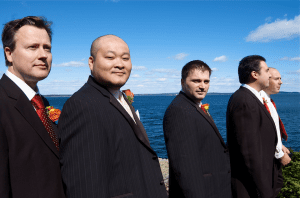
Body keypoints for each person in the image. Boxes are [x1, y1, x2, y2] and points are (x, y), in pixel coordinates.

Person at [58, 35, 168, 198]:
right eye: (110, 57)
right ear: (91, 62)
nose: (119, 64)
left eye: (125, 58)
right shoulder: (82, 105)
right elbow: (84, 184)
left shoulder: (120, 98)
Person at [0, 16, 65, 198]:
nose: (43, 55)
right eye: (32, 47)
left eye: (47, 48)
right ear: (9, 53)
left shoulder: (41, 103)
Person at [163, 60, 231, 198]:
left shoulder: (192, 106)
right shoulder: (179, 111)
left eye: (206, 81)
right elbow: (184, 166)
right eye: (196, 81)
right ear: (182, 82)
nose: (202, 86)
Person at [227, 55, 280, 198]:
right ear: (254, 74)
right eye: (267, 70)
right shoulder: (244, 101)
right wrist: (264, 191)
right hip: (251, 188)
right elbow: (249, 153)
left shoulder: (251, 98)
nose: (270, 74)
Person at [260, 68, 291, 196]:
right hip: (266, 160)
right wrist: (279, 154)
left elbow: (272, 129)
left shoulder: (268, 100)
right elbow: (262, 133)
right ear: (267, 79)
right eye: (277, 79)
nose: (281, 82)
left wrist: (280, 144)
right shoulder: (260, 102)